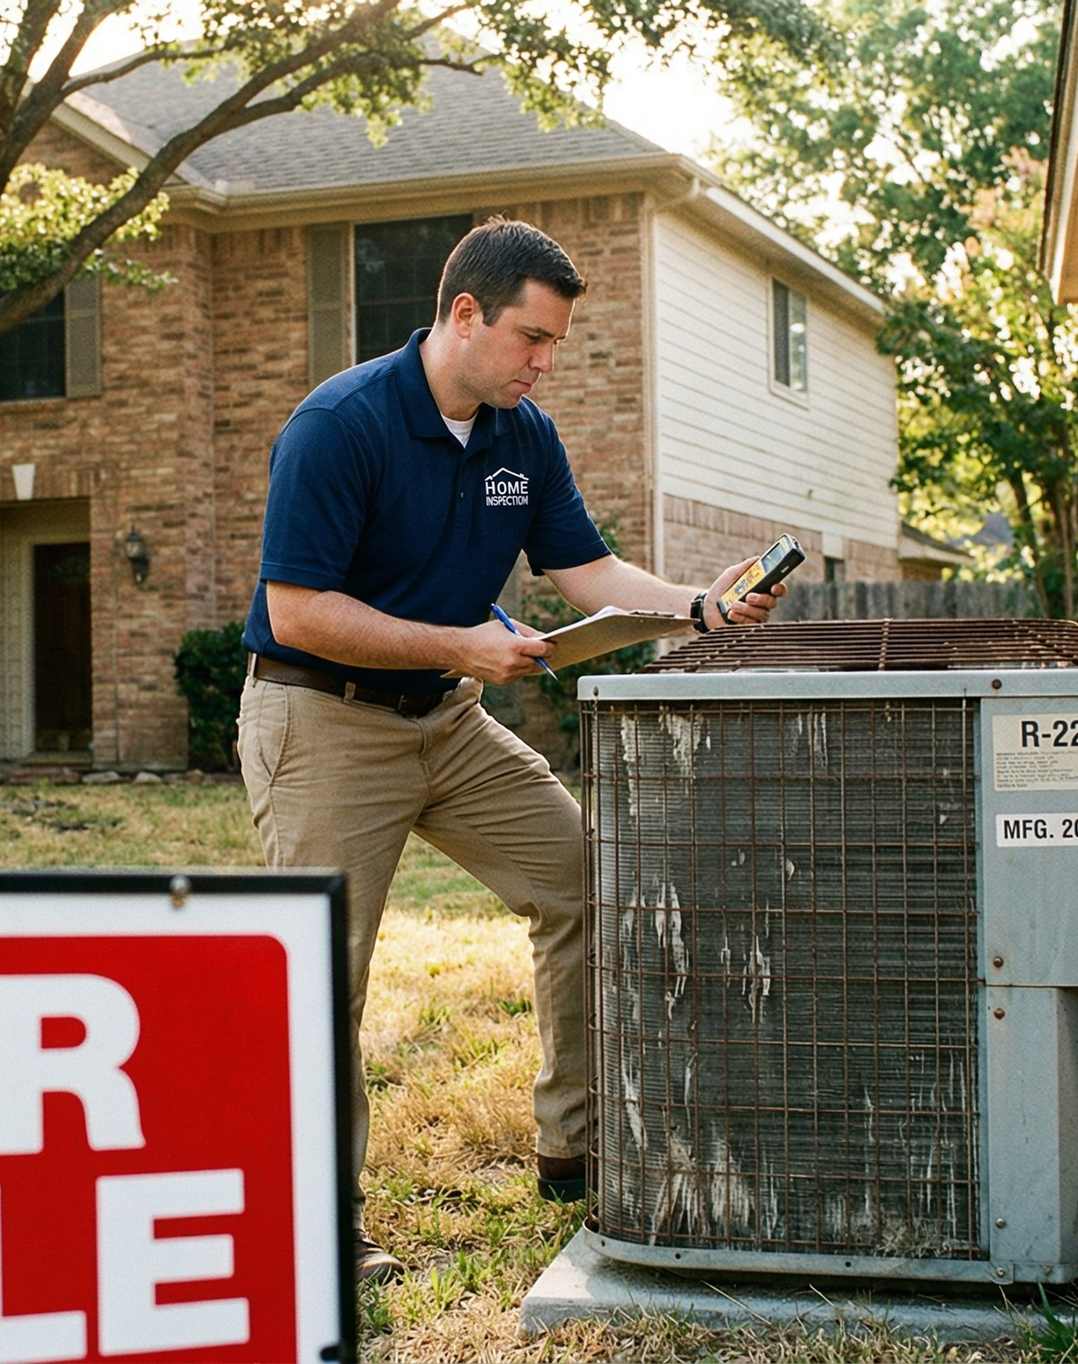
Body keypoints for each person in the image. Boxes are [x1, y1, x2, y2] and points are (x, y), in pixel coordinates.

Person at [236, 217, 784, 1283]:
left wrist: (697, 605)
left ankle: (574, 1146)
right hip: (320, 717)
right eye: (531, 337)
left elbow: (583, 571)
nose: (544, 361)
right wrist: (460, 643)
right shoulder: (337, 424)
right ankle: (318, 1219)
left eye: (556, 344)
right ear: (463, 314)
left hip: (445, 717)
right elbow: (296, 610)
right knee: (322, 973)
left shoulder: (520, 434)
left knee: (580, 876)